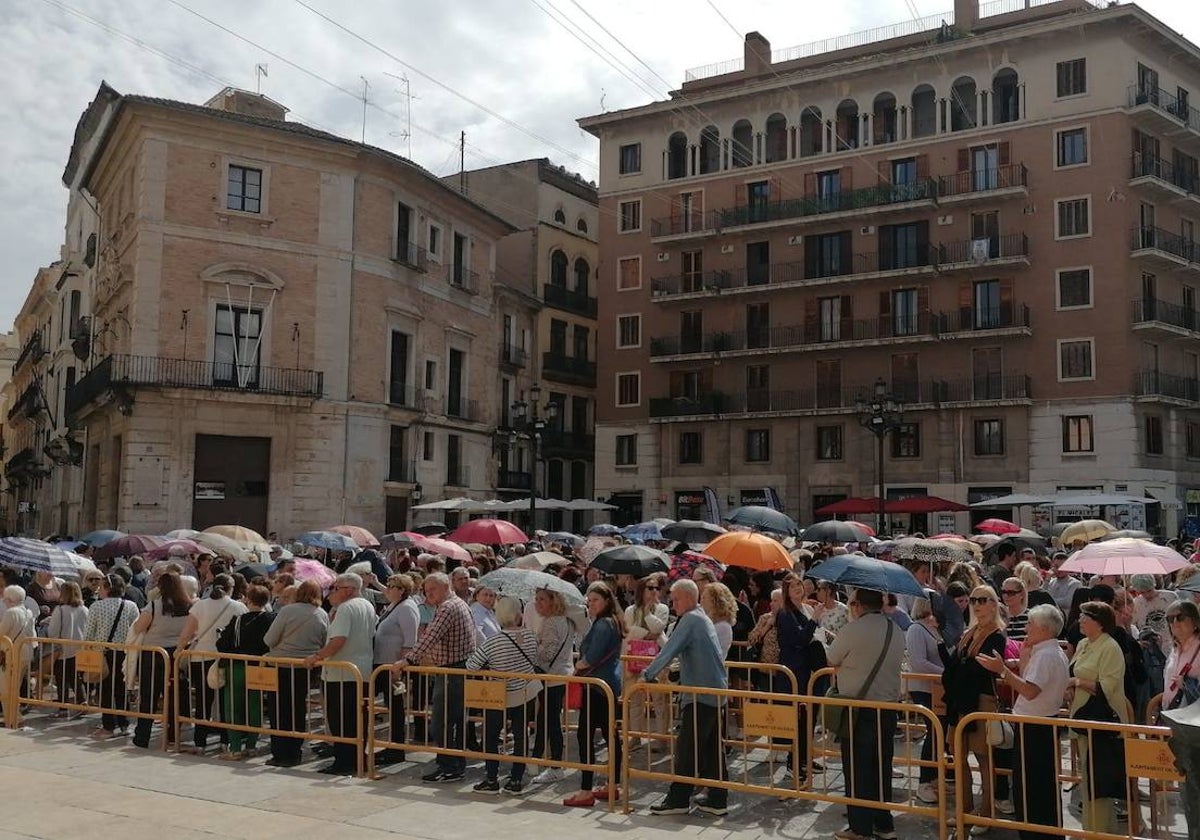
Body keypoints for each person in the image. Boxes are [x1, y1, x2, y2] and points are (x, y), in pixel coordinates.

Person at [978, 605, 1070, 840]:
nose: (1026, 628)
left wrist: (1003, 671)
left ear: (1043, 629)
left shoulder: (1047, 654)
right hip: (1039, 723)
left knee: (1032, 788)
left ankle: (1036, 833)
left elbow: (1029, 690)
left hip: (1036, 725)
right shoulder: (1049, 652)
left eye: (1030, 624)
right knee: (1037, 786)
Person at [641, 579, 730, 817]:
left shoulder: (691, 619)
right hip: (713, 692)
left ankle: (679, 798)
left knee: (687, 748)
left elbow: (670, 650)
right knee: (712, 750)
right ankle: (718, 799)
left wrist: (647, 675)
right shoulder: (701, 618)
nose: (673, 603)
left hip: (701, 694)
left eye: (676, 598)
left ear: (690, 598)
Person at [826, 589, 907, 840]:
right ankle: (884, 823)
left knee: (858, 768)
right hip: (887, 708)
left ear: (858, 604)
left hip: (858, 707)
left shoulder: (853, 629)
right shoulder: (896, 629)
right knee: (881, 766)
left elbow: (832, 657)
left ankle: (860, 827)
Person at [396, 571, 476, 783]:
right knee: (455, 722)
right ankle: (454, 764)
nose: (428, 594)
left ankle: (449, 766)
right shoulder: (459, 604)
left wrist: (408, 660)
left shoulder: (448, 607)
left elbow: (430, 636)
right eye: (425, 591)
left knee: (442, 722)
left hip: (451, 671)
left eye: (432, 590)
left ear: (445, 587)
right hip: (458, 668)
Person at [942, 584, 1007, 831]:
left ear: (993, 604)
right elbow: (956, 666)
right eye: (973, 600)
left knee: (983, 759)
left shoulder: (996, 635)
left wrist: (961, 664)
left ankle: (986, 813)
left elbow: (980, 669)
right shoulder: (969, 633)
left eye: (983, 600)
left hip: (981, 701)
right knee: (958, 757)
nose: (977, 605)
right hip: (960, 702)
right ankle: (964, 809)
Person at [466, 595, 541, 795]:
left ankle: (491, 778)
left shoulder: (493, 642)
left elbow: (472, 665)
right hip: (526, 692)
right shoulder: (531, 637)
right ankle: (516, 779)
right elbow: (535, 658)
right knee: (521, 736)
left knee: (491, 737)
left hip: (499, 694)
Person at [304, 573, 375, 775]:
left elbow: (338, 640)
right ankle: (357, 759)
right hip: (360, 671)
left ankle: (344, 762)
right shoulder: (367, 605)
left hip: (342, 673)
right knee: (356, 721)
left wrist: (316, 657)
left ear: (349, 590)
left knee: (341, 721)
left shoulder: (346, 608)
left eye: (337, 588)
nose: (332, 593)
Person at [1068, 601, 1130, 834]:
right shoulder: (1084, 643)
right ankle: (1091, 829)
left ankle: (1100, 832)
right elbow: (1074, 670)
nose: (1081, 620)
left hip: (1102, 723)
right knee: (1087, 778)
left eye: (1086, 617)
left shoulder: (1111, 648)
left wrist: (1077, 682)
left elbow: (1109, 686)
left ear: (1100, 623)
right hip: (1082, 721)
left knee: (1099, 781)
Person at [564, 581, 625, 807]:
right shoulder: (612, 622)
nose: (591, 604)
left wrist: (578, 666)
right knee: (610, 735)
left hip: (597, 686)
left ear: (607, 601)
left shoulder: (603, 624)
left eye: (595, 600)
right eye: (589, 600)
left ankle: (586, 789)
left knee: (586, 736)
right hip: (607, 684)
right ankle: (613, 784)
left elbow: (591, 656)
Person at [263, 580, 329, 767]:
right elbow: (325, 641)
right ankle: (295, 750)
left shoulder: (287, 611)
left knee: (278, 710)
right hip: (305, 667)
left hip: (281, 664)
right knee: (298, 708)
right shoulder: (322, 614)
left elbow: (269, 638)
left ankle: (280, 752)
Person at [177, 573, 245, 753]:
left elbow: (187, 633)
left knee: (202, 701)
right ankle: (225, 740)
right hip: (226, 657)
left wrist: (179, 650)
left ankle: (200, 742)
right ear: (231, 588)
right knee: (225, 701)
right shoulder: (238, 607)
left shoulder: (200, 605)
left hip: (201, 657)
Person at [130, 571, 192, 749]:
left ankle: (142, 736)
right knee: (174, 696)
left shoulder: (155, 606)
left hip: (153, 653)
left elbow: (138, 626)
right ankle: (173, 735)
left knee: (149, 696)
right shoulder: (188, 607)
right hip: (176, 653)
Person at [214, 584, 275, 759]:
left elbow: (222, 644)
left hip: (237, 665)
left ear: (248, 599)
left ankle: (234, 747)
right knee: (255, 705)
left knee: (233, 706)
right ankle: (252, 745)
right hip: (260, 666)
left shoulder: (238, 620)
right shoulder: (272, 618)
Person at [81, 574, 139, 738]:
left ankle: (108, 725)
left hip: (103, 652)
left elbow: (88, 634)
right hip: (124, 652)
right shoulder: (131, 606)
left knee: (105, 689)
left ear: (106, 588)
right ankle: (124, 724)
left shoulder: (97, 607)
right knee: (121, 688)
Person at [529, 587, 575, 784]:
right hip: (560, 674)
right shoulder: (566, 621)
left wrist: (533, 645)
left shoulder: (550, 623)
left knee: (551, 721)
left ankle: (555, 764)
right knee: (547, 718)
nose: (537, 603)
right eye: (536, 599)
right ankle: (538, 756)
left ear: (552, 601)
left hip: (551, 676)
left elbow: (547, 653)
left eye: (541, 600)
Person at [776, 573, 820, 779]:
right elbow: (800, 638)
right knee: (797, 718)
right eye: (792, 586)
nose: (797, 588)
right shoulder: (785, 613)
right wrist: (813, 621)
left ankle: (805, 758)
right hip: (793, 672)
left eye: (799, 584)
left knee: (808, 719)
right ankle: (793, 763)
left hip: (809, 670)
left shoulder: (807, 608)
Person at [373, 573, 419, 766]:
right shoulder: (393, 607)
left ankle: (397, 748)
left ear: (401, 590)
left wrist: (400, 666)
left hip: (394, 666)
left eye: (391, 586)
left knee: (396, 707)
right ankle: (392, 744)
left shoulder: (407, 608)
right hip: (382, 663)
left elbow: (410, 641)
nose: (387, 589)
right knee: (390, 706)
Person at [905, 597, 945, 805]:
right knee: (934, 731)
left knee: (938, 732)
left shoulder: (933, 628)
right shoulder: (916, 630)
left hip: (937, 689)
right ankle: (924, 781)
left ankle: (933, 776)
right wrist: (946, 674)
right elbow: (918, 662)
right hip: (924, 688)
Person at [623, 574, 670, 746]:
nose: (654, 591)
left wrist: (648, 615)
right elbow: (629, 631)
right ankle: (635, 735)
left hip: (656, 659)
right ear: (641, 590)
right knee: (635, 699)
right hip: (634, 657)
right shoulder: (630, 610)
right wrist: (646, 633)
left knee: (659, 700)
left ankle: (661, 738)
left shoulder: (663, 608)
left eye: (657, 587)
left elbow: (658, 630)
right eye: (650, 588)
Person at [47, 581, 88, 709]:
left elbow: (53, 631)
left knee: (61, 677)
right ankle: (82, 700)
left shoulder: (60, 610)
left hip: (63, 648)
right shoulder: (85, 609)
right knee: (76, 677)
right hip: (79, 648)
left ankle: (63, 704)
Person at [1162, 600, 1200, 712]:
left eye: (1180, 617)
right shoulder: (1174, 650)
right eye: (1170, 619)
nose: (1175, 623)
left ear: (1194, 621)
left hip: (1193, 719)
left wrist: (1186, 685)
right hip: (1171, 712)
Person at [701, 582, 738, 659]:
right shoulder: (710, 622)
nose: (701, 601)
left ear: (714, 601)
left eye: (704, 598)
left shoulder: (723, 626)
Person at [1000, 578, 1030, 643]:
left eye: (1011, 593)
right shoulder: (999, 616)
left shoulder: (1031, 617)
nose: (1006, 596)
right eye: (1003, 592)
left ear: (1021, 594)